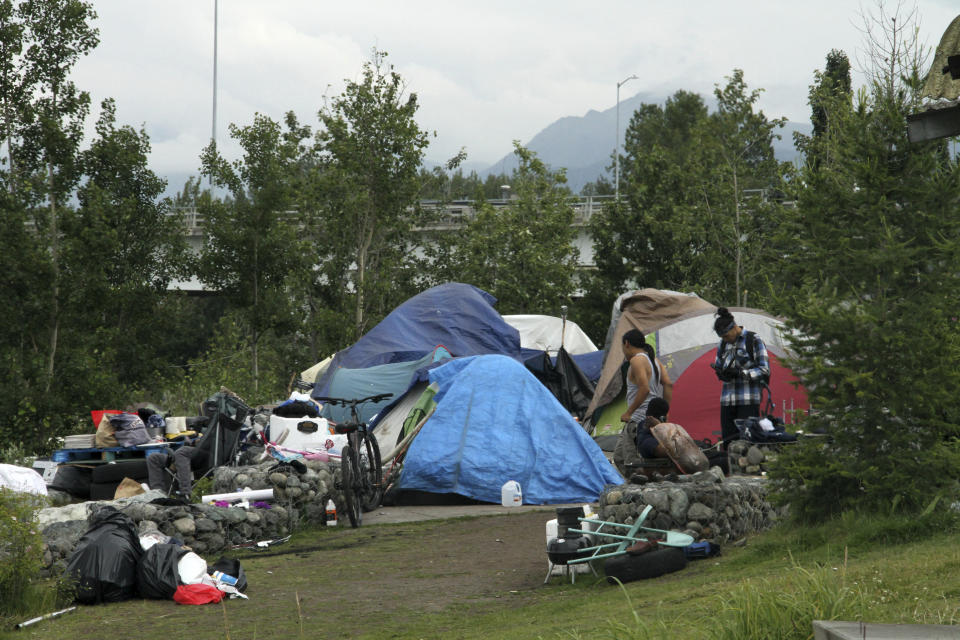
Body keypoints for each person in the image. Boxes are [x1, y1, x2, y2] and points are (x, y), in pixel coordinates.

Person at [712, 307, 770, 450]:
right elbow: (719, 363)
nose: (725, 339)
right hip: (727, 400)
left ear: (733, 328)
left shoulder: (753, 340)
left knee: (746, 442)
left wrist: (741, 373)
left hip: (748, 399)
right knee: (728, 442)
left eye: (726, 336)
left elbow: (764, 369)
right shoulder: (724, 344)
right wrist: (721, 373)